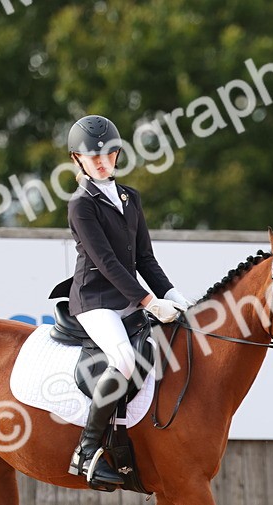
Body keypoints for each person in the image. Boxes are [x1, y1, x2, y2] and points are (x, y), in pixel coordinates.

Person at [60, 114, 191, 486]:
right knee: (123, 359)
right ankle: (86, 451)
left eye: (109, 154)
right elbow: (107, 262)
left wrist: (173, 295)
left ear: (117, 154)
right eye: (93, 156)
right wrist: (149, 302)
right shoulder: (80, 204)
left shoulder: (129, 197)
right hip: (95, 300)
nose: (102, 162)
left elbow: (144, 258)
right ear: (78, 159)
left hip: (129, 299)